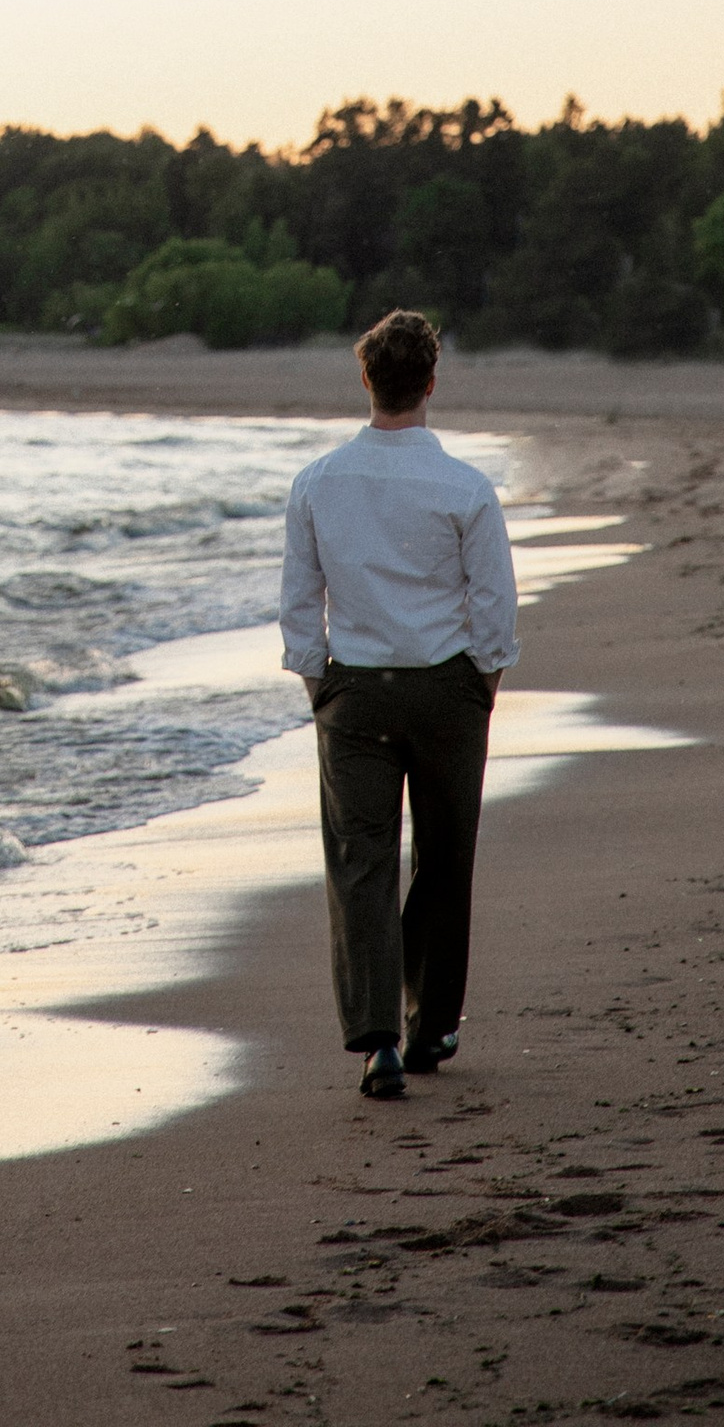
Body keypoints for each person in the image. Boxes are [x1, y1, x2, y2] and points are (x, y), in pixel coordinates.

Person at [279, 306, 519, 1101]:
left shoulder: (317, 482)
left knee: (362, 862)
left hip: (355, 690)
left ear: (366, 380)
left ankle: (378, 1041)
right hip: (446, 686)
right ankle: (432, 1025)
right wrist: (483, 684)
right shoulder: (465, 486)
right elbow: (494, 603)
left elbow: (299, 602)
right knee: (446, 858)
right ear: (431, 383)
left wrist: (319, 684)